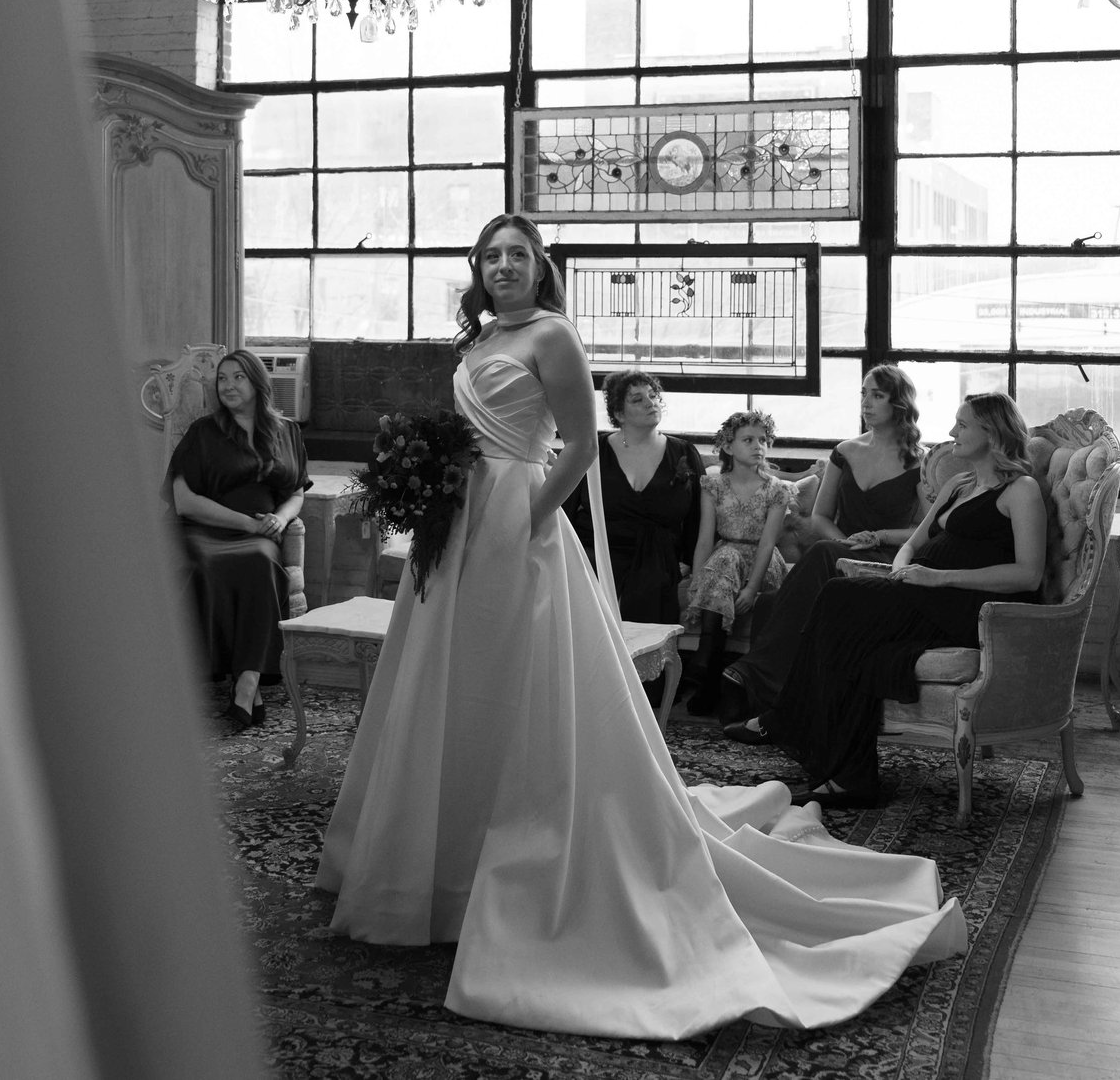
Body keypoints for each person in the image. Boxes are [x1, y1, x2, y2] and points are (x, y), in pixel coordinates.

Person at [316, 214, 966, 1039]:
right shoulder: (478, 339)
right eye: (492, 255)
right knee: (446, 681)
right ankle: (434, 863)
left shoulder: (552, 335)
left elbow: (579, 446)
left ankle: (510, 862)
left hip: (516, 519)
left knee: (508, 684)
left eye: (518, 254)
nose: (504, 265)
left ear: (539, 267)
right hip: (458, 520)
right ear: (478, 268)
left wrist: (525, 520)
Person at [765, 393, 1049, 809]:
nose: (951, 433)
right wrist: (900, 572)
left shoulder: (1021, 490)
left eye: (962, 425)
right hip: (920, 591)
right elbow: (913, 544)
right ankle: (848, 775)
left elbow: (1028, 574)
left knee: (837, 596)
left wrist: (938, 578)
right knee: (850, 638)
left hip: (967, 606)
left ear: (992, 433)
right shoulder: (959, 484)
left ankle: (791, 722)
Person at [721, 365, 927, 740]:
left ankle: (751, 675)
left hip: (885, 562)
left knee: (818, 558)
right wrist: (845, 546)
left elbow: (926, 531)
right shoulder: (845, 452)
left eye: (877, 395)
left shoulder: (921, 461)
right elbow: (819, 518)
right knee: (772, 601)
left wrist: (877, 537)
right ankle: (774, 707)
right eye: (863, 394)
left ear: (899, 403)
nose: (866, 402)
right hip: (838, 553)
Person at [167, 349, 310, 733]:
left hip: (262, 533)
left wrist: (280, 519)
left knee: (261, 561)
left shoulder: (287, 432)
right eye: (222, 379)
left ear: (257, 382)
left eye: (238, 377)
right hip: (204, 530)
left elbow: (296, 492)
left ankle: (247, 682)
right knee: (210, 564)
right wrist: (248, 523)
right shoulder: (203, 432)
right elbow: (184, 501)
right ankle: (248, 687)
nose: (228, 386)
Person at [561, 370, 704, 625]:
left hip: (657, 557)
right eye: (638, 399)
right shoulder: (594, 450)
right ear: (619, 414)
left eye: (653, 396)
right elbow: (565, 508)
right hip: (598, 551)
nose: (651, 403)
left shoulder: (683, 452)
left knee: (651, 594)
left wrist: (688, 561)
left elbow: (698, 517)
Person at [680, 410, 795, 712]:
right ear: (728, 447)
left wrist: (752, 588)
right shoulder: (713, 485)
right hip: (724, 561)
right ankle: (711, 669)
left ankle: (705, 663)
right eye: (748, 440)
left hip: (761, 564)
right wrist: (697, 584)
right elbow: (705, 539)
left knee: (728, 558)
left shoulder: (777, 490)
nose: (758, 446)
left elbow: (768, 543)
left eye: (763, 440)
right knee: (725, 556)